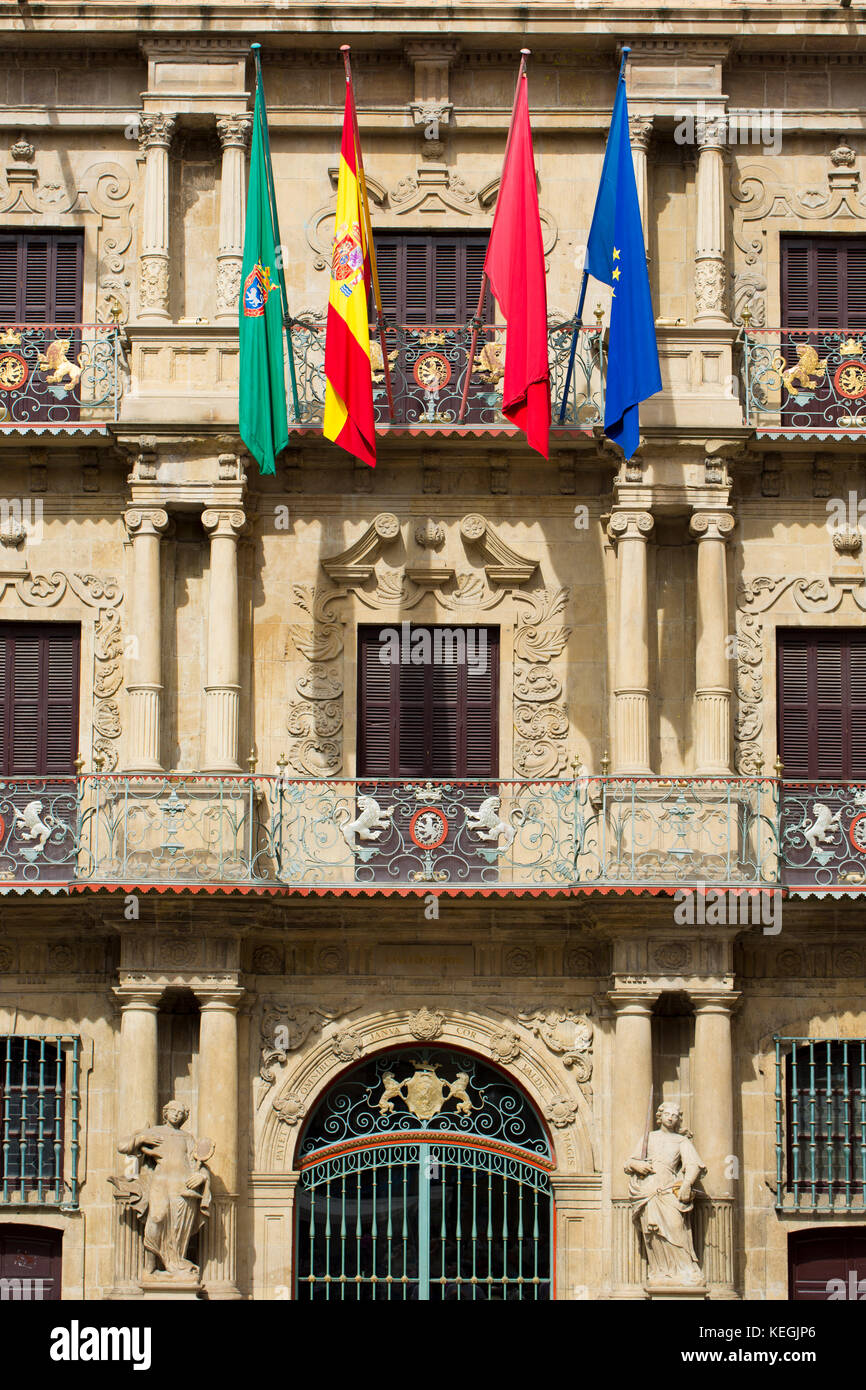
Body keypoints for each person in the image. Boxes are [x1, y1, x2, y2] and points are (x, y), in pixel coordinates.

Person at [115, 1100, 213, 1278]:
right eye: (173, 1111)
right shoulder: (155, 1132)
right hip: (160, 1183)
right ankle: (149, 1268)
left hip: (183, 1188)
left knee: (178, 1228)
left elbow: (197, 1162)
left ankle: (174, 1265)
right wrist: (141, 1139)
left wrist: (202, 1176)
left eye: (181, 1112)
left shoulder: (187, 1138)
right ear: (165, 1113)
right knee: (156, 1218)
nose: (177, 1114)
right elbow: (123, 1146)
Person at [624, 1101, 706, 1285]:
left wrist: (686, 1184)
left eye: (675, 1115)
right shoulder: (649, 1138)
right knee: (653, 1234)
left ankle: (685, 1271)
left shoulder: (681, 1141)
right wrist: (638, 1164)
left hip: (668, 1191)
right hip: (648, 1191)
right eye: (667, 1114)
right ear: (660, 1116)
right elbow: (629, 1162)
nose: (671, 1117)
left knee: (677, 1231)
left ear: (678, 1120)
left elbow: (693, 1165)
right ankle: (661, 1271)